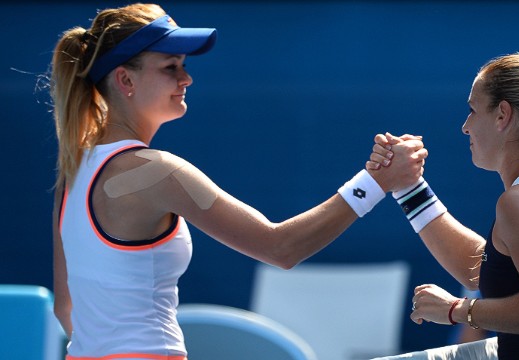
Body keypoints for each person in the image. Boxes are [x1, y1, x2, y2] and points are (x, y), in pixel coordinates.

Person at [49, 3, 426, 359]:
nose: (187, 78)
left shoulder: (74, 170)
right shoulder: (158, 172)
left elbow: (66, 308)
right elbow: (281, 247)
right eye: (170, 67)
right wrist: (376, 182)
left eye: (183, 65)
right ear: (125, 79)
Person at [368, 53, 519, 359]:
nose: (465, 126)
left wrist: (457, 310)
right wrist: (408, 187)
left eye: (472, 110)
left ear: (502, 116)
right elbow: (496, 273)